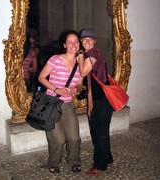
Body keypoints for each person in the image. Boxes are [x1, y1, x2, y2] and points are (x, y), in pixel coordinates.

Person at [38, 30, 83, 173]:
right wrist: (56, 89)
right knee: (58, 139)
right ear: (64, 44)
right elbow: (41, 77)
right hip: (51, 103)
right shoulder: (55, 59)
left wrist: (74, 90)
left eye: (76, 41)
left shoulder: (80, 62)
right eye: (70, 41)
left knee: (74, 138)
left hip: (68, 105)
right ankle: (53, 162)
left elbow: (80, 84)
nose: (73, 44)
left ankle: (74, 160)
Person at [77, 28, 114, 175]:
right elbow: (85, 78)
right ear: (81, 41)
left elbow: (83, 72)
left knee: (100, 133)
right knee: (98, 131)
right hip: (98, 100)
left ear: (95, 42)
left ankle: (100, 164)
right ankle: (107, 157)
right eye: (84, 39)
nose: (87, 41)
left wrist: (80, 55)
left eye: (90, 39)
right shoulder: (90, 55)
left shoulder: (92, 53)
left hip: (103, 101)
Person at [23, 28, 40, 92]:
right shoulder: (34, 50)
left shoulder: (20, 49)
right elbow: (34, 69)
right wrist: (26, 69)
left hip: (17, 76)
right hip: (25, 77)